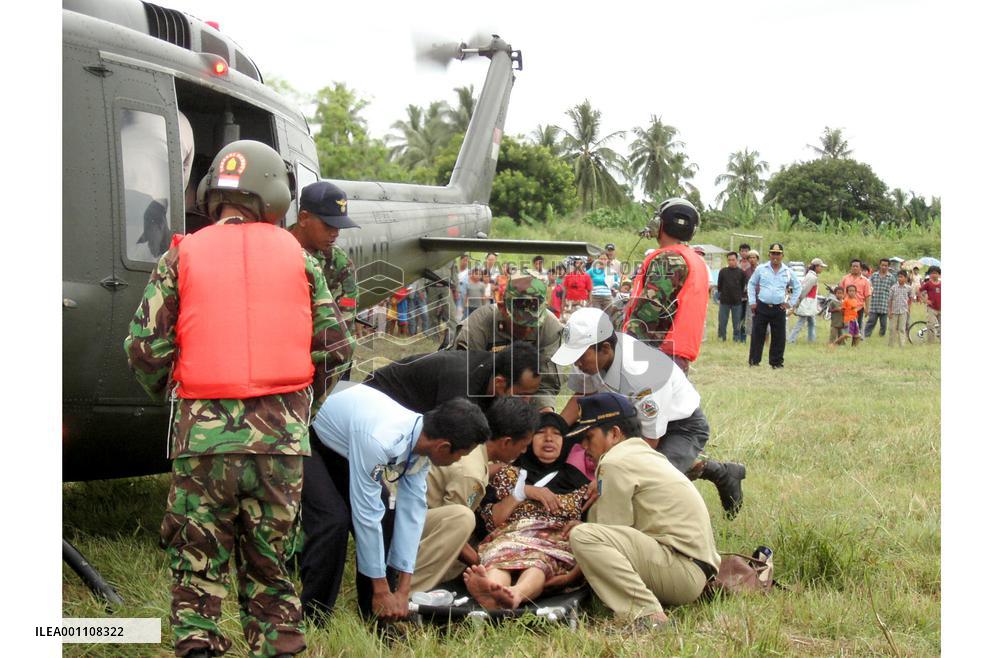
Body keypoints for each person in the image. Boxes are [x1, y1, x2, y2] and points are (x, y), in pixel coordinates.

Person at [124, 140, 355, 658]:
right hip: (280, 446)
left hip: (202, 444)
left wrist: (178, 397)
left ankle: (199, 646)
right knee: (272, 569)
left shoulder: (181, 254)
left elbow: (143, 348)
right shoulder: (301, 260)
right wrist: (300, 410)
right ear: (274, 195)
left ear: (213, 194)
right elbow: (337, 349)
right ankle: (279, 646)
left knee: (197, 569)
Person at [300, 384, 491, 623]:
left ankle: (376, 616)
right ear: (443, 447)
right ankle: (314, 616)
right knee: (333, 521)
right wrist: (381, 589)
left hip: (345, 444)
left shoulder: (422, 442)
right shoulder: (381, 440)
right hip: (309, 433)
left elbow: (412, 515)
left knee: (387, 516)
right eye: (461, 454)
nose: (459, 461)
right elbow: (366, 515)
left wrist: (403, 589)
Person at [553, 308, 746, 517]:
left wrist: (605, 477)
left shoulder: (641, 376)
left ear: (605, 349)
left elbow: (647, 442)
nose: (577, 363)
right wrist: (554, 428)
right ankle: (693, 462)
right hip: (629, 420)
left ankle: (722, 473)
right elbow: (582, 395)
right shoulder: (592, 354)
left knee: (651, 483)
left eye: (580, 357)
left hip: (681, 426)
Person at [565, 393, 719, 630]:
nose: (584, 446)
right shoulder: (640, 454)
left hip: (682, 572)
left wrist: (569, 577)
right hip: (692, 568)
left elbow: (606, 533)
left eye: (589, 437)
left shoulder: (614, 461)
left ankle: (647, 615)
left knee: (583, 536)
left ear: (614, 433)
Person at [464, 411, 593, 609]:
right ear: (528, 440)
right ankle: (492, 590)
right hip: (509, 536)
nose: (549, 438)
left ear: (565, 441)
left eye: (557, 433)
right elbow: (490, 522)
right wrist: (523, 492)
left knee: (539, 562)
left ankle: (514, 595)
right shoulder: (506, 473)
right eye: (540, 432)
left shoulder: (581, 482)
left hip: (553, 542)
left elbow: (591, 524)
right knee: (499, 556)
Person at [411, 397, 537, 594]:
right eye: (523, 445)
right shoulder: (472, 473)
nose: (524, 450)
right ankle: (410, 589)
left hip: (412, 516)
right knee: (463, 523)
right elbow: (453, 531)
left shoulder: (474, 447)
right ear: (506, 442)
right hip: (409, 528)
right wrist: (484, 562)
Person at [453, 274, 565, 412]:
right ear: (502, 308)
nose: (527, 330)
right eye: (520, 324)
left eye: (533, 324)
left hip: (526, 400)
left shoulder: (550, 326)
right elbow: (463, 379)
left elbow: (547, 383)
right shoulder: (477, 326)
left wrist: (545, 413)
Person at [624, 198, 708, 375]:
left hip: (656, 353)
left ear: (659, 223)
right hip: (676, 353)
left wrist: (629, 346)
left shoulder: (668, 259)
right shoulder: (694, 259)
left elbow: (650, 308)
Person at [363, 342, 542, 414]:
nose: (527, 401)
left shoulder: (493, 370)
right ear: (500, 383)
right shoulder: (461, 386)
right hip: (376, 401)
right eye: (522, 395)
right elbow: (448, 444)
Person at [288, 181, 360, 325]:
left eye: (338, 227)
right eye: (328, 225)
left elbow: (347, 310)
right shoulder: (275, 251)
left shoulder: (340, 264)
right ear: (303, 218)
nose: (335, 233)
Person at [747, 243, 801, 368]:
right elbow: (751, 284)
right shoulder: (761, 269)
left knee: (779, 337)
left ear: (782, 255)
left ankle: (776, 363)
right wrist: (752, 301)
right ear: (769, 255)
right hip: (762, 306)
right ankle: (754, 361)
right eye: (773, 253)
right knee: (757, 335)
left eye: (778, 254)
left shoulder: (787, 271)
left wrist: (790, 303)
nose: (775, 256)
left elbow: (798, 287)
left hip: (779, 307)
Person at [789, 258, 826, 343]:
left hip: (810, 302)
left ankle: (811, 339)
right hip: (807, 303)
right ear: (816, 267)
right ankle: (791, 339)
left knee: (812, 322)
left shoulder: (811, 275)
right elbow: (804, 290)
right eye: (820, 266)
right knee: (801, 322)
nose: (821, 268)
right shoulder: (812, 277)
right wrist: (799, 301)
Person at [424, 260, 459, 343]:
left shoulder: (450, 257)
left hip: (446, 287)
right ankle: (433, 339)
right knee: (431, 313)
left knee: (450, 313)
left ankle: (454, 338)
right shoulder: (428, 256)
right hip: (431, 286)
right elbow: (422, 271)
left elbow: (454, 274)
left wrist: (456, 289)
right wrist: (421, 289)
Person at [716, 251, 748, 342]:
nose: (731, 262)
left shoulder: (741, 273)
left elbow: (743, 286)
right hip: (724, 301)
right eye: (729, 260)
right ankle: (721, 337)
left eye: (733, 260)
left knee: (737, 322)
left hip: (737, 302)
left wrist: (739, 295)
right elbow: (719, 286)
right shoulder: (723, 271)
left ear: (737, 260)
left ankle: (736, 339)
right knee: (722, 322)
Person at [840, 260, 872, 338]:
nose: (855, 268)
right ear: (851, 267)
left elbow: (867, 295)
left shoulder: (865, 281)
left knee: (858, 325)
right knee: (845, 325)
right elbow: (840, 291)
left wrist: (867, 308)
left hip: (859, 307)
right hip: (846, 306)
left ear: (860, 268)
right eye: (853, 266)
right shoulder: (845, 278)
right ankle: (844, 339)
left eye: (857, 266)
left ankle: (857, 340)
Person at [864, 259, 894, 338]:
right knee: (871, 321)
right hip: (874, 304)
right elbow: (868, 286)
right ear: (879, 265)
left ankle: (881, 336)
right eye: (882, 265)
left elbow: (894, 290)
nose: (884, 267)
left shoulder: (891, 277)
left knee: (883, 324)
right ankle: (866, 335)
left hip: (885, 304)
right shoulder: (874, 276)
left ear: (888, 266)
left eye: (886, 266)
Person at [738, 248, 759, 342]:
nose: (752, 259)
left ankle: (765, 340)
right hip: (750, 298)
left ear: (757, 258)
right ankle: (752, 339)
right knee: (750, 318)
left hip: (762, 298)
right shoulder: (746, 272)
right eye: (750, 257)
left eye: (754, 257)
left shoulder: (762, 269)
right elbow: (744, 285)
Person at [887, 270, 912, 347]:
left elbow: (910, 298)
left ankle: (902, 345)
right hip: (894, 311)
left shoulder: (908, 288)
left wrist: (909, 308)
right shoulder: (893, 288)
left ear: (906, 278)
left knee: (902, 328)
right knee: (892, 328)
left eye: (901, 277)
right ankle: (891, 345)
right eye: (898, 277)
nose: (899, 278)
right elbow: (890, 300)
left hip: (903, 311)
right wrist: (889, 311)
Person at [920, 266, 941, 343]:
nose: (934, 275)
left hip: (940, 308)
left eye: (935, 273)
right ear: (929, 275)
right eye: (932, 273)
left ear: (939, 274)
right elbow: (918, 291)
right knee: (931, 325)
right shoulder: (928, 284)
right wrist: (925, 300)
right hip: (931, 308)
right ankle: (930, 342)